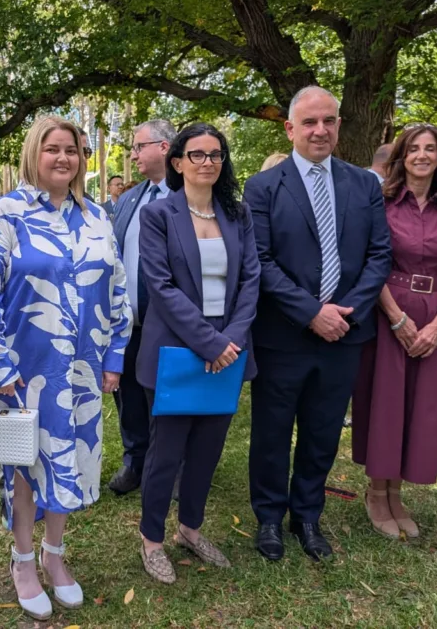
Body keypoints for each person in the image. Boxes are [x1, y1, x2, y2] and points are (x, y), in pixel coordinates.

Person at [0, 116, 130, 620]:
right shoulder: (7, 212)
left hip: (83, 370)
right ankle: (23, 561)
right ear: (33, 154)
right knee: (24, 466)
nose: (63, 158)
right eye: (52, 149)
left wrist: (114, 358)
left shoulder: (98, 216)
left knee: (71, 460)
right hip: (24, 370)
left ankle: (55, 556)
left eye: (72, 149)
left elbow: (119, 292)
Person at [245, 86, 391, 561]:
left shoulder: (363, 184)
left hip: (345, 333)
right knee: (272, 430)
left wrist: (345, 312)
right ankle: (268, 518)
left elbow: (379, 254)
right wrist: (311, 311)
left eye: (329, 120)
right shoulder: (263, 187)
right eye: (309, 122)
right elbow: (261, 261)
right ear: (290, 128)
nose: (320, 130)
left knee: (323, 430)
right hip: (284, 335)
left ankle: (307, 516)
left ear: (339, 125)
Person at [135, 123, 260, 584]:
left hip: (229, 350)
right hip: (177, 352)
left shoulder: (237, 215)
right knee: (165, 453)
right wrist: (209, 344)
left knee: (207, 450)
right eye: (197, 154)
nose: (207, 161)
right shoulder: (159, 216)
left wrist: (232, 341)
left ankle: (190, 528)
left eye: (215, 154)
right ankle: (152, 540)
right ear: (178, 162)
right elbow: (161, 288)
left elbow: (251, 281)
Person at [352, 124, 437, 540]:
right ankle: (376, 491)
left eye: (430, 149)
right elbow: (373, 263)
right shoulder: (381, 202)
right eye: (413, 149)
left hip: (436, 314)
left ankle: (397, 492)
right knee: (386, 403)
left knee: (422, 406)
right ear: (401, 156)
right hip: (388, 310)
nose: (422, 155)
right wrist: (397, 318)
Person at [108, 119, 177, 495]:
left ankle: (174, 467)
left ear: (164, 147)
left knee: (167, 395)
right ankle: (135, 460)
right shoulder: (130, 199)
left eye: (138, 146)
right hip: (127, 322)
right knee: (129, 393)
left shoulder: (187, 197)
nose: (132, 155)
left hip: (170, 324)